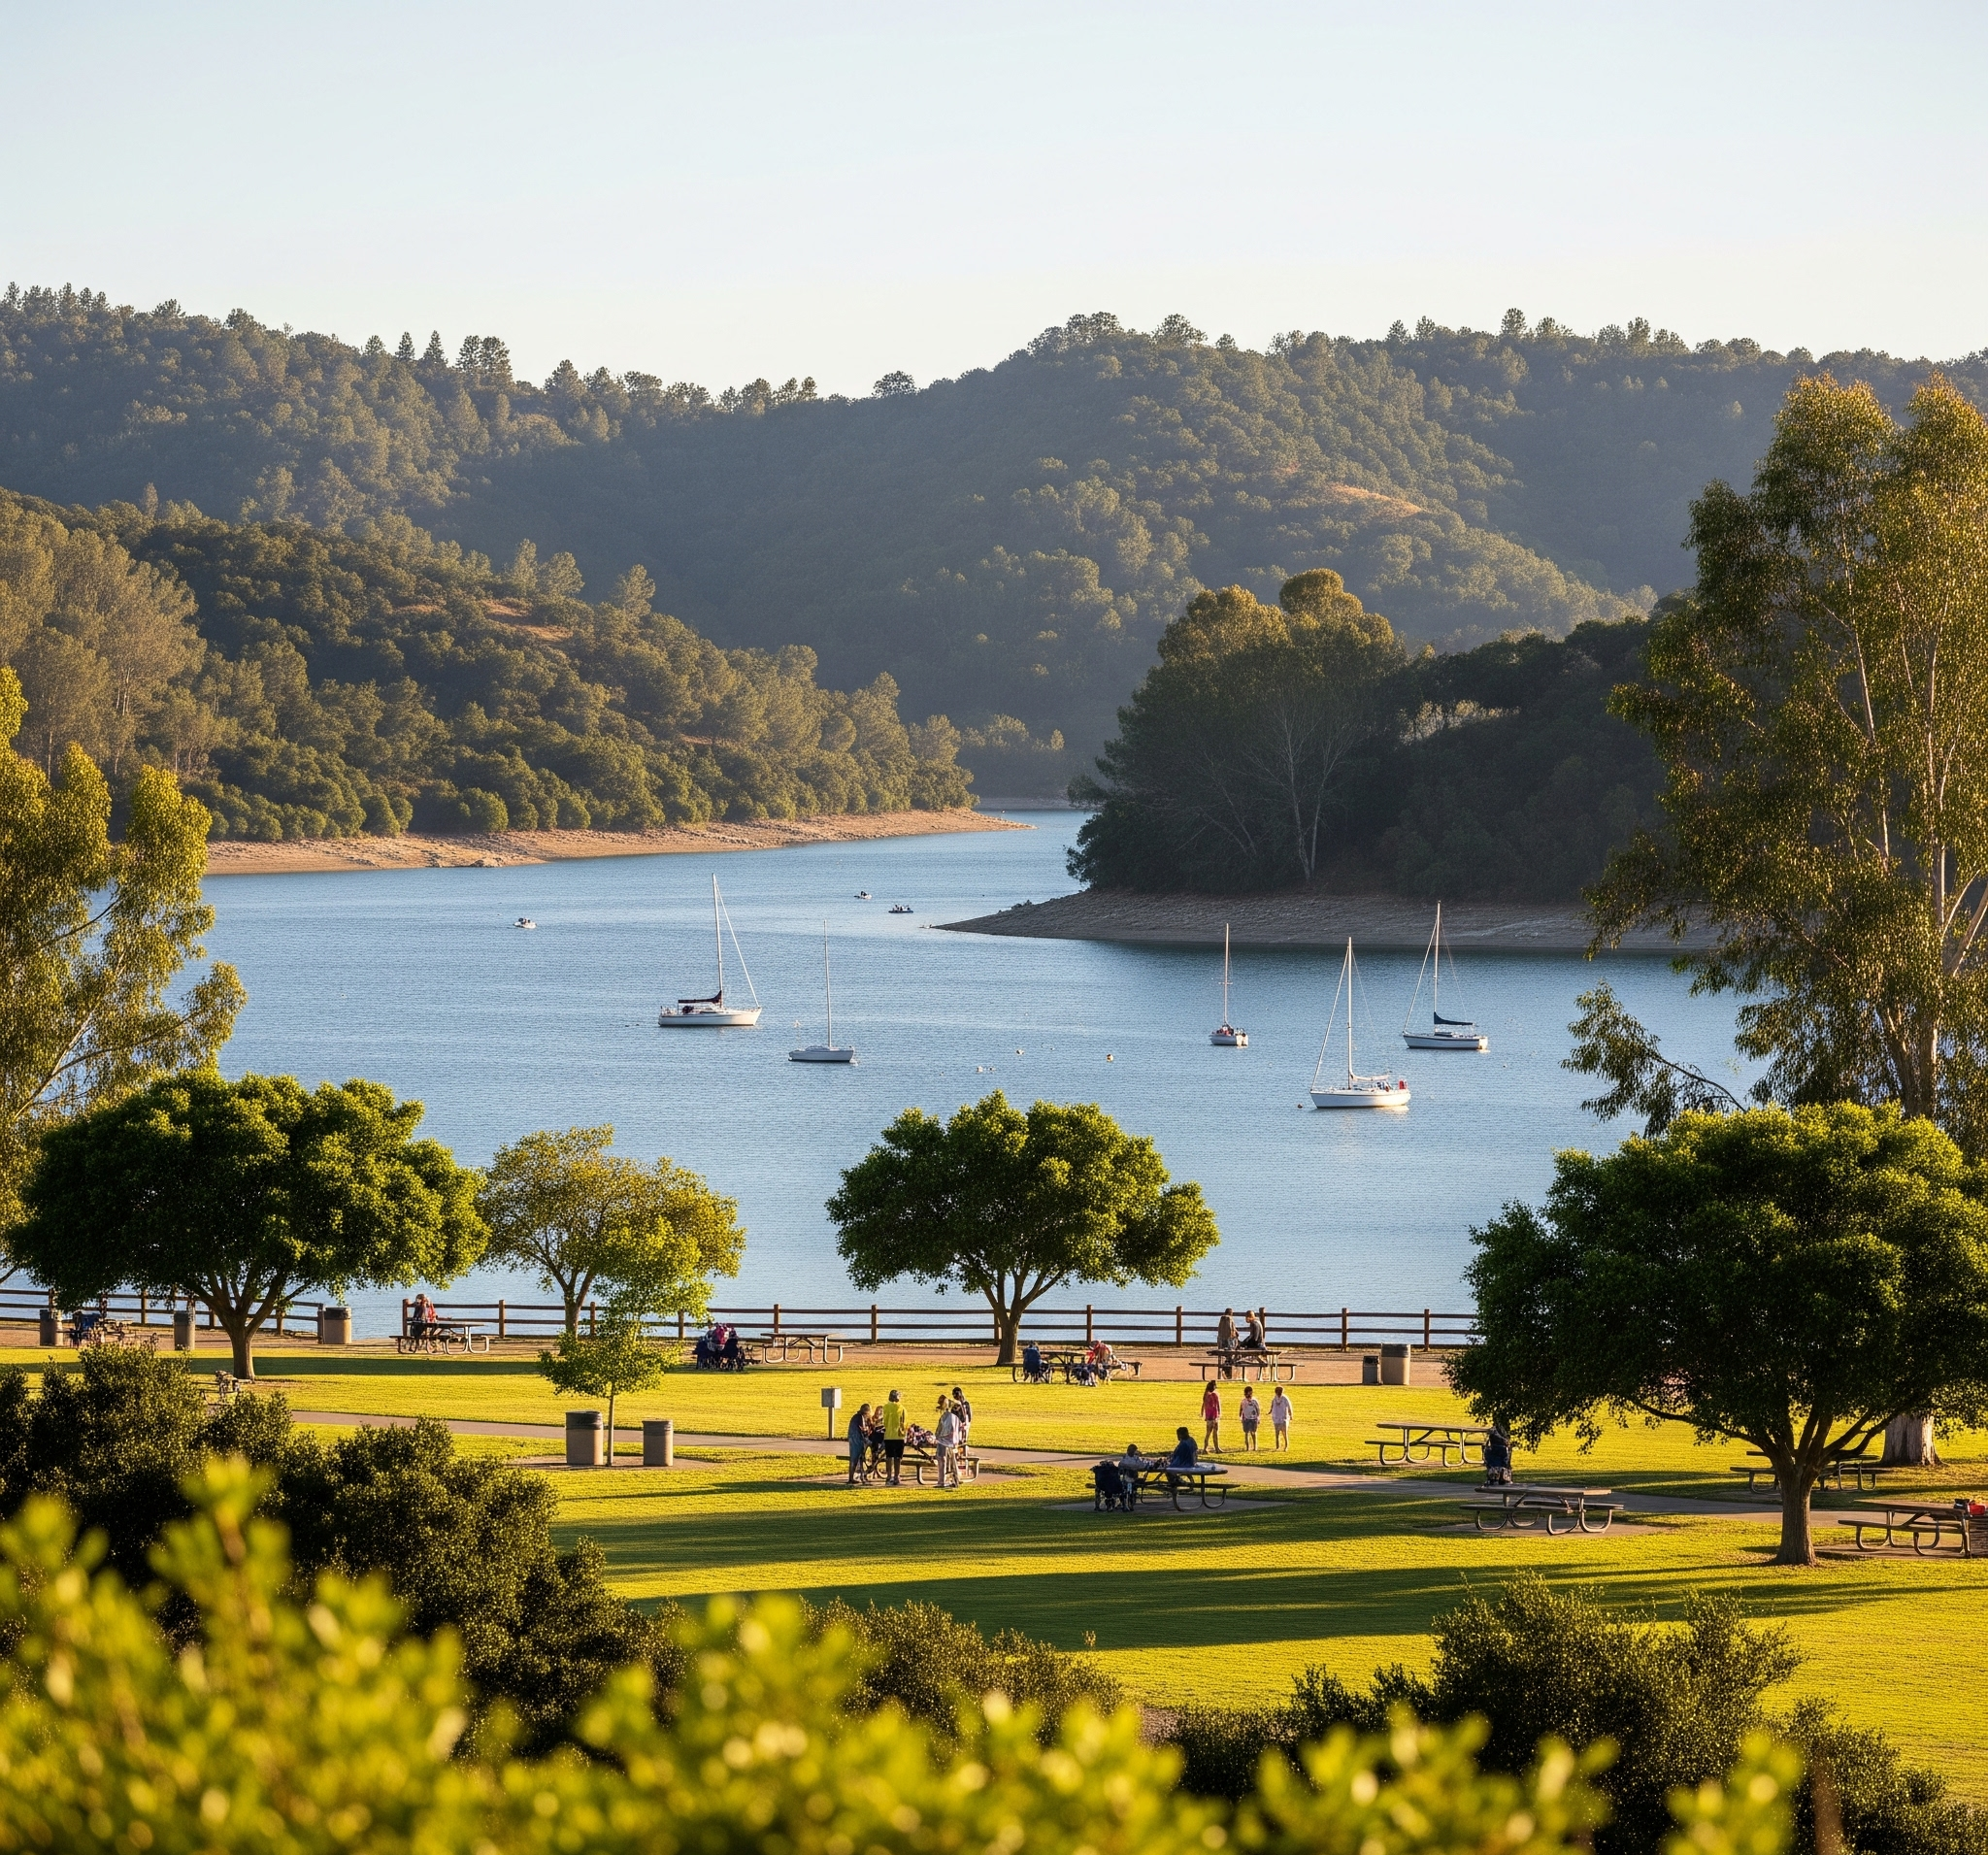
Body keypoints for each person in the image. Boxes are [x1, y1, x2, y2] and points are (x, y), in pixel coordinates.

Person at [879, 1388, 907, 1484]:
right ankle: (896, 1476)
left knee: (889, 1457)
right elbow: (904, 1422)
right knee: (898, 1457)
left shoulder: (885, 1407)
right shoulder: (901, 1408)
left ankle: (889, 1476)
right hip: (899, 1436)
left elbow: (884, 1422)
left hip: (888, 1435)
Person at [935, 1397, 961, 1490]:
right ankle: (954, 1480)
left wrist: (936, 1436)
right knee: (952, 1462)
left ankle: (942, 1481)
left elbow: (942, 1431)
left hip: (944, 1442)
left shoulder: (947, 1417)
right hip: (953, 1442)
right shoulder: (955, 1417)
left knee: (942, 1461)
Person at [846, 1402, 872, 1485]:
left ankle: (852, 1477)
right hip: (856, 1440)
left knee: (854, 1459)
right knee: (855, 1459)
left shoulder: (856, 1417)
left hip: (853, 1439)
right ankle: (852, 1478)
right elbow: (863, 1429)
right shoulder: (860, 1417)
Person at [1482, 1421, 1513, 1487]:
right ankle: (1497, 1477)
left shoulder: (1492, 1450)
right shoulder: (1502, 1449)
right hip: (1499, 1461)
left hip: (1497, 1460)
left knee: (1497, 1463)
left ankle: (1495, 1477)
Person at [1201, 1379, 1222, 1453]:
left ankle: (1204, 1449)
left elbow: (1203, 1406)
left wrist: (1202, 1414)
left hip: (1208, 1417)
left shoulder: (1205, 1396)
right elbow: (1217, 1405)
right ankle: (1217, 1448)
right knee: (1215, 1433)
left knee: (1208, 1434)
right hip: (1214, 1417)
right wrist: (1219, 1413)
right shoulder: (1214, 1395)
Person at [1269, 1386, 1293, 1451]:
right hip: (1276, 1418)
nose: (1280, 1393)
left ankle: (1286, 1447)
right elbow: (1272, 1406)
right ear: (1276, 1392)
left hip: (1283, 1418)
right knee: (1277, 1433)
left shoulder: (1285, 1398)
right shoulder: (1274, 1399)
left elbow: (1289, 1406)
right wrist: (1270, 1412)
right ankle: (1277, 1447)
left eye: (1281, 1392)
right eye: (1278, 1392)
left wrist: (1291, 1415)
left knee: (1285, 1433)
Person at [1239, 1386, 1261, 1452]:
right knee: (1246, 1433)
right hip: (1246, 1419)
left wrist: (1258, 1417)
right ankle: (1247, 1447)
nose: (1248, 1395)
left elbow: (1258, 1409)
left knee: (1253, 1432)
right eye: (1246, 1394)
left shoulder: (1254, 1401)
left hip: (1254, 1419)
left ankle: (1255, 1446)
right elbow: (1241, 1409)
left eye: (1249, 1394)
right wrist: (1240, 1416)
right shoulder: (1243, 1401)